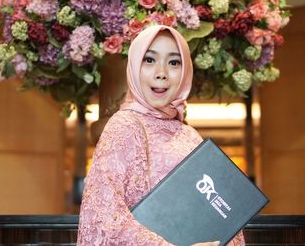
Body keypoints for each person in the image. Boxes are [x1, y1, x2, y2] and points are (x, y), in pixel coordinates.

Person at [77, 25, 245, 246]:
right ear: (135, 66)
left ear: (185, 71)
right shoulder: (124, 125)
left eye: (174, 62)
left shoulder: (190, 135)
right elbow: (103, 215)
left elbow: (222, 218)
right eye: (149, 60)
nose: (161, 72)